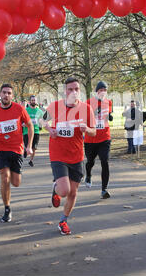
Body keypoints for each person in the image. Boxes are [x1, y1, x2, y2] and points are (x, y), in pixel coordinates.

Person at [42, 76, 96, 235]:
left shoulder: (86, 109)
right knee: (64, 190)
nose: (73, 92)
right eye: (70, 89)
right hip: (58, 154)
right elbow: (41, 121)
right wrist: (49, 129)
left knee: (73, 192)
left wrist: (87, 129)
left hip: (77, 155)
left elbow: (94, 132)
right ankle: (56, 188)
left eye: (76, 89)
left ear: (80, 91)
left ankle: (63, 221)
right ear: (65, 92)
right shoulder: (54, 106)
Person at [0, 83, 34, 223]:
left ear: (12, 96)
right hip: (0, 149)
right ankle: (7, 208)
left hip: (17, 149)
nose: (6, 95)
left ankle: (8, 199)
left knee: (16, 183)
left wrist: (29, 146)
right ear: (0, 94)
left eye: (9, 93)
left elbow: (30, 125)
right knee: (4, 177)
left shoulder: (19, 109)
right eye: (4, 92)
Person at [84, 81, 113, 199]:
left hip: (105, 138)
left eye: (105, 90)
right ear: (97, 92)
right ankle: (88, 175)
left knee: (104, 161)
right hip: (90, 139)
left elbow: (109, 115)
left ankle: (104, 189)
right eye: (101, 90)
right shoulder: (88, 103)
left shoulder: (109, 102)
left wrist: (110, 116)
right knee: (90, 162)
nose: (103, 92)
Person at [23, 95, 44, 167]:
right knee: (27, 145)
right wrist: (23, 124)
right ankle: (25, 149)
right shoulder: (25, 110)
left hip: (36, 131)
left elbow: (42, 121)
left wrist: (41, 125)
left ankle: (31, 160)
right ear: (30, 101)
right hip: (27, 131)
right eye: (32, 100)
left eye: (34, 100)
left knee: (34, 147)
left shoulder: (40, 111)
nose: (33, 101)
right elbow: (21, 120)